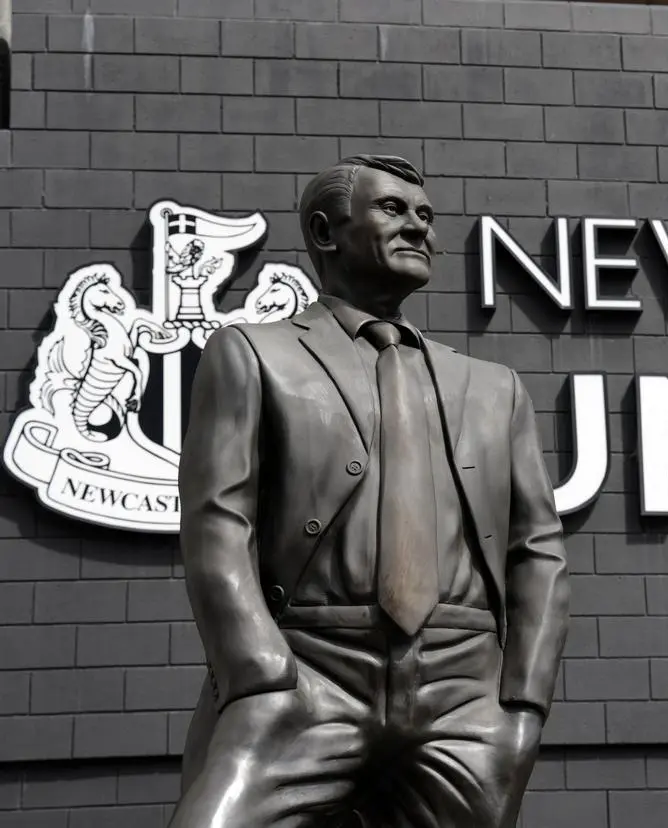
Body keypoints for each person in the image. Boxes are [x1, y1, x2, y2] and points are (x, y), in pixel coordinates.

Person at [168, 155, 569, 828]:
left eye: (426, 215)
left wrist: (522, 706)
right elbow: (216, 522)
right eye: (393, 209)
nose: (419, 228)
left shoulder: (494, 388)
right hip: (310, 670)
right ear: (326, 233)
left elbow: (538, 552)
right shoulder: (253, 352)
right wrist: (260, 674)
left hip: (463, 692)